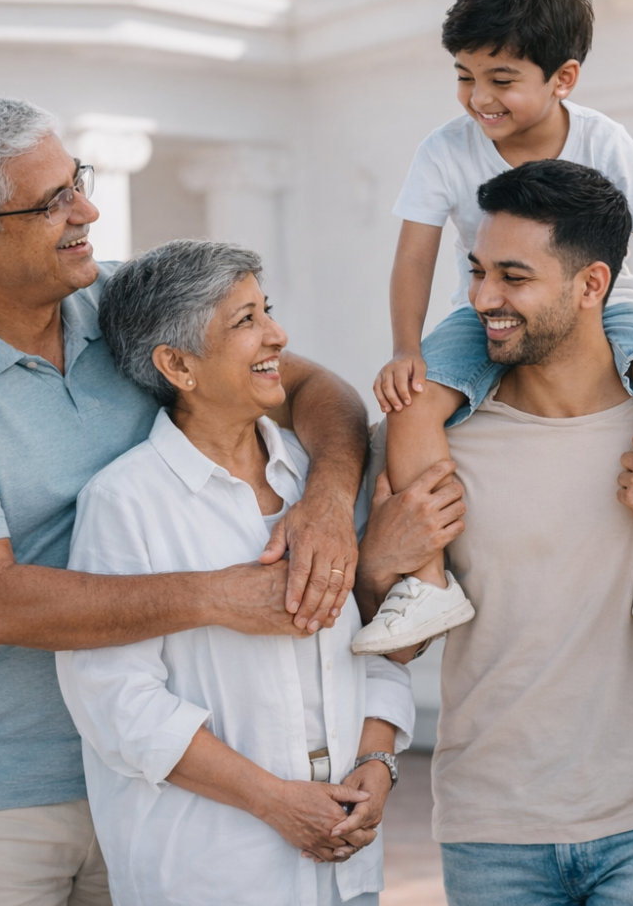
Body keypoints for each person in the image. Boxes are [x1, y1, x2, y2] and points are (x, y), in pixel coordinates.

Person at [357, 160, 633, 906]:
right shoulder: (430, 439)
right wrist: (379, 569)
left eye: (513, 276)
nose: (481, 300)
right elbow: (397, 642)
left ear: (593, 284)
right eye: (476, 272)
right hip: (490, 828)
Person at [0, 97, 368, 904]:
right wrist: (222, 597)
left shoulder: (123, 303)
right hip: (4, 800)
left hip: (174, 779)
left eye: (74, 180)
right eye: (51, 203)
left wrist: (327, 496)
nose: (88, 209)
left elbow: (318, 390)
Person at [354, 0, 633, 656]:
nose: (478, 98)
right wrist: (406, 349)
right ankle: (427, 582)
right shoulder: (444, 150)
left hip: (605, 298)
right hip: (488, 302)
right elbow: (414, 258)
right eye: (464, 76)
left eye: (501, 79)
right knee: (412, 400)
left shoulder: (603, 138)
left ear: (563, 78)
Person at [55, 240, 414, 905]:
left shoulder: (318, 487)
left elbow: (376, 642)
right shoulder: (125, 501)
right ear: (178, 365)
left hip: (346, 868)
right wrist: (276, 802)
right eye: (245, 320)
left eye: (267, 310)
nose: (277, 334)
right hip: (211, 873)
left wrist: (377, 761)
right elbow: (118, 704)